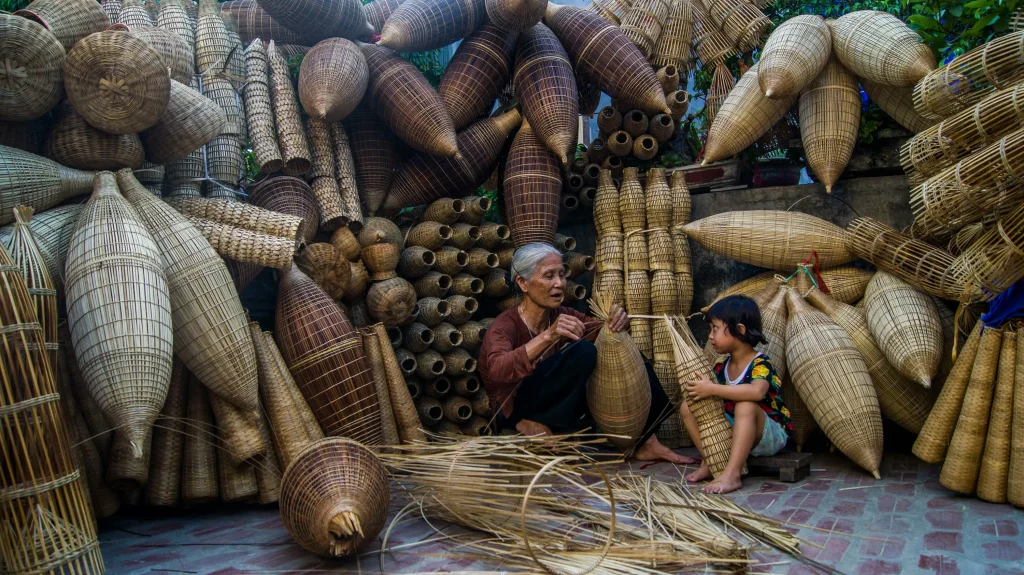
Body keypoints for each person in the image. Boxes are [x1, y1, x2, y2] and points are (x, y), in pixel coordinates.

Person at [478, 243, 690, 463]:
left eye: (562, 274)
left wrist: (618, 323)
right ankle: (531, 423)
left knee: (626, 351)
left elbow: (599, 330)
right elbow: (496, 370)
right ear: (523, 283)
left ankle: (648, 441)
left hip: (555, 404)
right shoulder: (504, 326)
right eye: (549, 276)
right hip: (515, 409)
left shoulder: (563, 314)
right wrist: (548, 337)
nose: (559, 283)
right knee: (583, 352)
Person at [679, 295, 792, 494]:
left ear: (739, 330)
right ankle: (711, 460)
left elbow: (757, 392)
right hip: (734, 429)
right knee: (687, 406)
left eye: (715, 328)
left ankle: (733, 473)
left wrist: (712, 389)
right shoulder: (721, 366)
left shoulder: (760, 363)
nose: (710, 336)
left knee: (746, 405)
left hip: (767, 434)